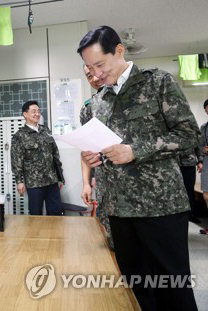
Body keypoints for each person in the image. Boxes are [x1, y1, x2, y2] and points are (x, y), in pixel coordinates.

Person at [78, 25, 199, 310]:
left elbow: (188, 134)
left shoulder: (157, 83)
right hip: (118, 210)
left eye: (99, 64)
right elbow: (94, 148)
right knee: (135, 289)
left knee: (173, 288)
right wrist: (90, 158)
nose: (95, 73)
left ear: (119, 51)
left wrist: (135, 151)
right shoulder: (95, 103)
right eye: (88, 67)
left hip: (161, 207)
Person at [11, 100, 64, 215]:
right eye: (33, 111)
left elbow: (55, 153)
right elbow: (16, 160)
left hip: (51, 180)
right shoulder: (19, 136)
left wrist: (60, 176)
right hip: (34, 183)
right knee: (35, 215)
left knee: (56, 213)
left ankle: (54, 234)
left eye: (39, 111)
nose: (37, 114)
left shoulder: (46, 130)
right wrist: (19, 181)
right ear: (25, 114)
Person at [80, 64, 113, 248]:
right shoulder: (89, 108)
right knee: (113, 241)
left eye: (96, 71)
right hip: (106, 187)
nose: (94, 78)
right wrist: (86, 182)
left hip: (142, 189)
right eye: (88, 75)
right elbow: (86, 150)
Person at [200, 99, 208, 208]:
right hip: (207, 163)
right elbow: (200, 145)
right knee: (206, 194)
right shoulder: (204, 128)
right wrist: (203, 150)